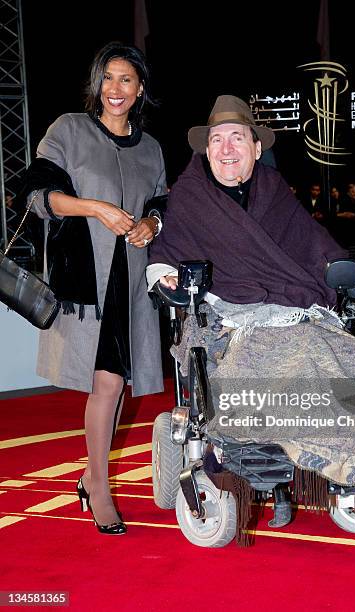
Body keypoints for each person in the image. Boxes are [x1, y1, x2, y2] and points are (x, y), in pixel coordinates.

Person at [146, 95, 355, 521]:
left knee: (342, 350)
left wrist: (347, 271)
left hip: (289, 306)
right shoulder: (189, 197)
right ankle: (248, 454)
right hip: (230, 315)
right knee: (290, 353)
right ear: (206, 149)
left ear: (256, 148)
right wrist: (163, 275)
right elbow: (165, 249)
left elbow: (313, 244)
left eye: (237, 138)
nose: (227, 148)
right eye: (217, 140)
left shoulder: (273, 191)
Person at [21, 42, 167, 535]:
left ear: (140, 88)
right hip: (88, 281)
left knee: (115, 383)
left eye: (126, 79)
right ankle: (99, 487)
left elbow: (165, 204)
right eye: (107, 78)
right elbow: (37, 195)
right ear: (96, 85)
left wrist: (151, 222)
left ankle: (90, 477)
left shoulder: (151, 148)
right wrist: (96, 207)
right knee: (105, 382)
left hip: (134, 284)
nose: (115, 89)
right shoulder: (70, 130)